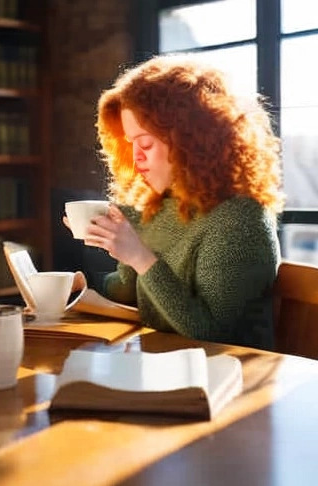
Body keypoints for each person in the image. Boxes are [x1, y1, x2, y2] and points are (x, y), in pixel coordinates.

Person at [65, 54, 285, 350]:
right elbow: (130, 292)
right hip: (164, 367)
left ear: (191, 140)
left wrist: (141, 257)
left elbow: (214, 335)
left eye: (145, 143)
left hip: (230, 379)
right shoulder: (161, 205)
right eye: (130, 145)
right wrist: (79, 285)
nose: (135, 157)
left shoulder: (239, 219)